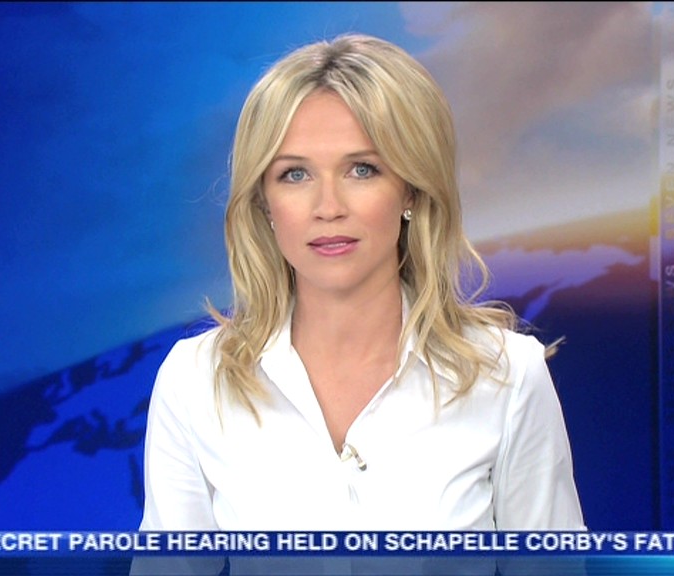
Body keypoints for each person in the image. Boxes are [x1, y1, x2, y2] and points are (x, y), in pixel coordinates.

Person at [134, 33, 584, 574]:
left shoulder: (507, 376)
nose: (328, 207)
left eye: (362, 169)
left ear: (411, 189)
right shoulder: (196, 381)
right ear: (264, 201)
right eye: (295, 174)